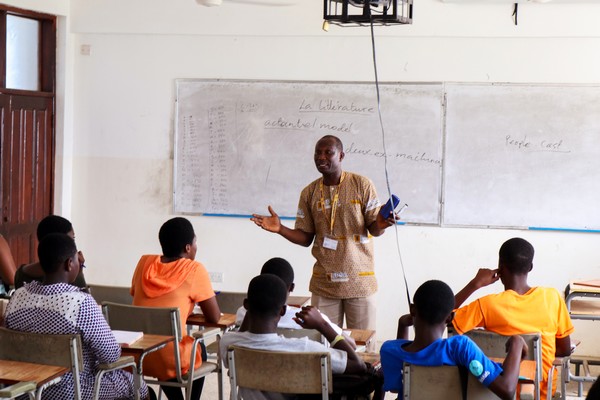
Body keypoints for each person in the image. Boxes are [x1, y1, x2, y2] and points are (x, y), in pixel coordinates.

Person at [251, 135, 397, 331]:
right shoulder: (309, 192)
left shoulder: (362, 184)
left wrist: (381, 224)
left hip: (360, 283)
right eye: (318, 153)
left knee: (362, 344)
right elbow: (305, 238)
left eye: (328, 152)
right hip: (324, 285)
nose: (321, 157)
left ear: (341, 156)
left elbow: (374, 228)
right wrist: (280, 229)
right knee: (322, 344)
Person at [3, 233, 149, 400]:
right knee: (139, 385)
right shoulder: (80, 302)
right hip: (72, 391)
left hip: (25, 391)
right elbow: (111, 355)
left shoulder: (17, 297)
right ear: (69, 263)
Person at [452, 237, 574, 399]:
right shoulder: (552, 297)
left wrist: (475, 284)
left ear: (500, 267)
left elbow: (440, 317)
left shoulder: (487, 305)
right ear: (530, 267)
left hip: (493, 392)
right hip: (539, 394)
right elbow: (565, 349)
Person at [220, 273, 369, 400]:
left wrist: (251, 308)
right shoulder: (306, 349)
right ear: (283, 310)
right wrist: (322, 325)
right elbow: (358, 365)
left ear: (246, 305)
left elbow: (242, 334)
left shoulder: (228, 343)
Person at [380, 280, 527, 400]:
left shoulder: (389, 350)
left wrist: (402, 325)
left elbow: (396, 388)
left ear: (412, 310)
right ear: (450, 318)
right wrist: (517, 342)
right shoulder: (459, 348)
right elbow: (507, 390)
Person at [131, 217, 220, 400]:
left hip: (138, 355)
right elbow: (214, 317)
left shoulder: (144, 263)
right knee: (197, 347)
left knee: (166, 345)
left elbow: (141, 300)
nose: (196, 247)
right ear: (188, 248)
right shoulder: (194, 269)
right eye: (195, 242)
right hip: (170, 359)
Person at [235, 257, 356, 348]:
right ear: (291, 287)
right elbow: (351, 345)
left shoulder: (243, 313)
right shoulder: (313, 319)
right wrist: (323, 324)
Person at [14, 215, 87, 290]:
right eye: (72, 239)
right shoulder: (66, 274)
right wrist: (78, 272)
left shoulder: (21, 273)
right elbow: (84, 295)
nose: (74, 245)